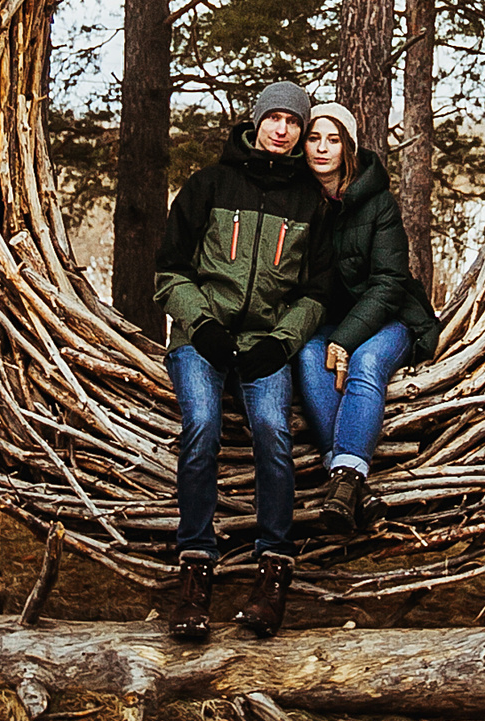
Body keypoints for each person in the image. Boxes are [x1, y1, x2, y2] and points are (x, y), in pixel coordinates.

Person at [154, 79, 331, 640]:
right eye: (274, 118)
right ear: (255, 121)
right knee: (202, 425)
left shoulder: (310, 202)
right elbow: (169, 270)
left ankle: (273, 569)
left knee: (273, 431)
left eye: (294, 122)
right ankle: (195, 567)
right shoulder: (209, 184)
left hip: (265, 343)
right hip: (200, 339)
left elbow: (317, 291)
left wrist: (281, 341)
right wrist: (202, 325)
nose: (282, 129)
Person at [295, 101, 443, 535]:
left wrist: (345, 339)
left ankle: (342, 477)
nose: (322, 148)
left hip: (391, 318)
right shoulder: (297, 200)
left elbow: (389, 282)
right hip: (327, 322)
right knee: (308, 357)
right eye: (314, 138)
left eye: (333, 140)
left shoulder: (378, 202)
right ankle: (351, 485)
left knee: (367, 362)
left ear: (349, 148)